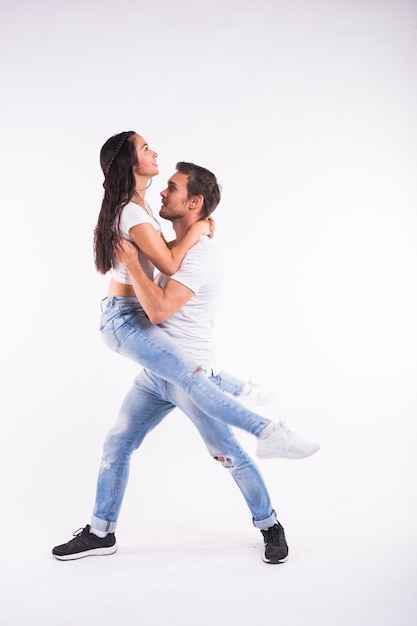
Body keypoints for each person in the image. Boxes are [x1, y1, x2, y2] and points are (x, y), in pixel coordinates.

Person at [52, 162, 318, 564]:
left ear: (194, 202)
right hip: (156, 373)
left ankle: (269, 524)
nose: (162, 192)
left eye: (172, 188)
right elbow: (158, 261)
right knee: (117, 441)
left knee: (228, 454)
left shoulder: (199, 257)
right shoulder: (176, 248)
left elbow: (157, 311)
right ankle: (100, 531)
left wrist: (137, 257)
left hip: (187, 370)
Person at [89, 130, 319, 455]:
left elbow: (155, 252)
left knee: (119, 442)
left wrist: (189, 236)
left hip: (126, 311)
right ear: (130, 163)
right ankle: (266, 431)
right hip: (125, 317)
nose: (154, 152)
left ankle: (242, 390)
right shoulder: (132, 211)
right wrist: (196, 230)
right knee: (194, 377)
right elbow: (167, 265)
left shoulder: (135, 209)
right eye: (145, 148)